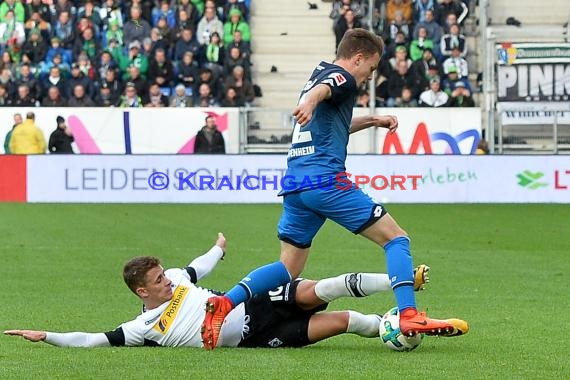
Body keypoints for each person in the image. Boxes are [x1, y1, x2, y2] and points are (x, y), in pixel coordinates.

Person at [201, 29, 468, 350]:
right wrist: (312, 102)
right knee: (396, 239)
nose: (369, 76)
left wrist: (371, 120)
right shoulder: (342, 77)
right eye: (370, 68)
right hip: (325, 181)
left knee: (287, 268)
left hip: (296, 185)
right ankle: (409, 314)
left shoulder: (319, 73)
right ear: (358, 58)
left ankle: (224, 304)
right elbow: (326, 92)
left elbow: (330, 115)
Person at [3, 234, 438, 349]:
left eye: (166, 275)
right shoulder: (142, 328)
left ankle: (401, 283)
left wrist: (219, 248)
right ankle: (392, 331)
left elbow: (198, 266)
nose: (170, 281)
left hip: (252, 300)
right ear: (142, 292)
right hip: (255, 338)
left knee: (321, 287)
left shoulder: (177, 277)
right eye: (159, 282)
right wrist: (48, 336)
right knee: (347, 323)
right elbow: (93, 340)